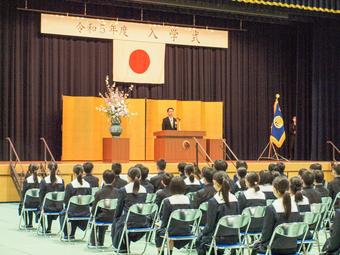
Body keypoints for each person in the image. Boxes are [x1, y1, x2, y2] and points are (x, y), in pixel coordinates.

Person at [252, 176, 303, 255]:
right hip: (293, 247)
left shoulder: (271, 208)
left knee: (255, 246)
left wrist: (260, 241)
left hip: (274, 249)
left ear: (275, 190)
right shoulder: (295, 206)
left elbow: (266, 233)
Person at [195, 171, 239, 255]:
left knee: (199, 241)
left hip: (217, 238)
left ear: (214, 182)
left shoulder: (214, 201)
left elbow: (209, 226)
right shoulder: (235, 199)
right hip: (234, 237)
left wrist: (201, 233)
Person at [111, 167, 148, 252]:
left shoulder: (123, 190)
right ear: (140, 177)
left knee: (117, 221)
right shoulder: (144, 190)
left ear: (128, 177)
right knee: (124, 219)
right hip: (143, 222)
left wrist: (116, 219)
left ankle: (121, 247)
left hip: (128, 223)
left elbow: (119, 209)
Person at [155, 177, 192, 254]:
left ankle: (160, 252)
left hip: (171, 231)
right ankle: (170, 252)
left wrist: (160, 226)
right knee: (171, 227)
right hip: (186, 231)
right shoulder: (189, 199)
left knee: (159, 230)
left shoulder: (168, 201)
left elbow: (164, 220)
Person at [90, 170, 119, 247]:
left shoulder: (99, 193)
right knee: (104, 215)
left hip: (102, 217)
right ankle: (101, 241)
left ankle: (94, 242)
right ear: (114, 180)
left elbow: (93, 211)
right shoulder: (118, 192)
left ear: (103, 179)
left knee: (95, 218)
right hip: (115, 217)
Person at [62, 164, 91, 240]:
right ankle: (72, 233)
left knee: (63, 212)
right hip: (86, 213)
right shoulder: (88, 185)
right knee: (76, 208)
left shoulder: (70, 186)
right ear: (83, 173)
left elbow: (66, 201)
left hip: (73, 213)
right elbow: (89, 199)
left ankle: (67, 234)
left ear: (74, 173)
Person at [39, 162, 65, 233]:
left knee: (41, 206)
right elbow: (63, 195)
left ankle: (45, 228)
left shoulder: (44, 181)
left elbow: (41, 196)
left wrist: (41, 205)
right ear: (57, 169)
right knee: (51, 202)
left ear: (48, 169)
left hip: (47, 207)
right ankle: (56, 229)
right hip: (59, 208)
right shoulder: (61, 181)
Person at [20, 164, 41, 228]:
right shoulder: (41, 180)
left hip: (29, 203)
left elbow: (24, 193)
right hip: (38, 204)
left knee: (23, 204)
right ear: (38, 170)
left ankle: (28, 223)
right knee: (31, 200)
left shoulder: (27, 180)